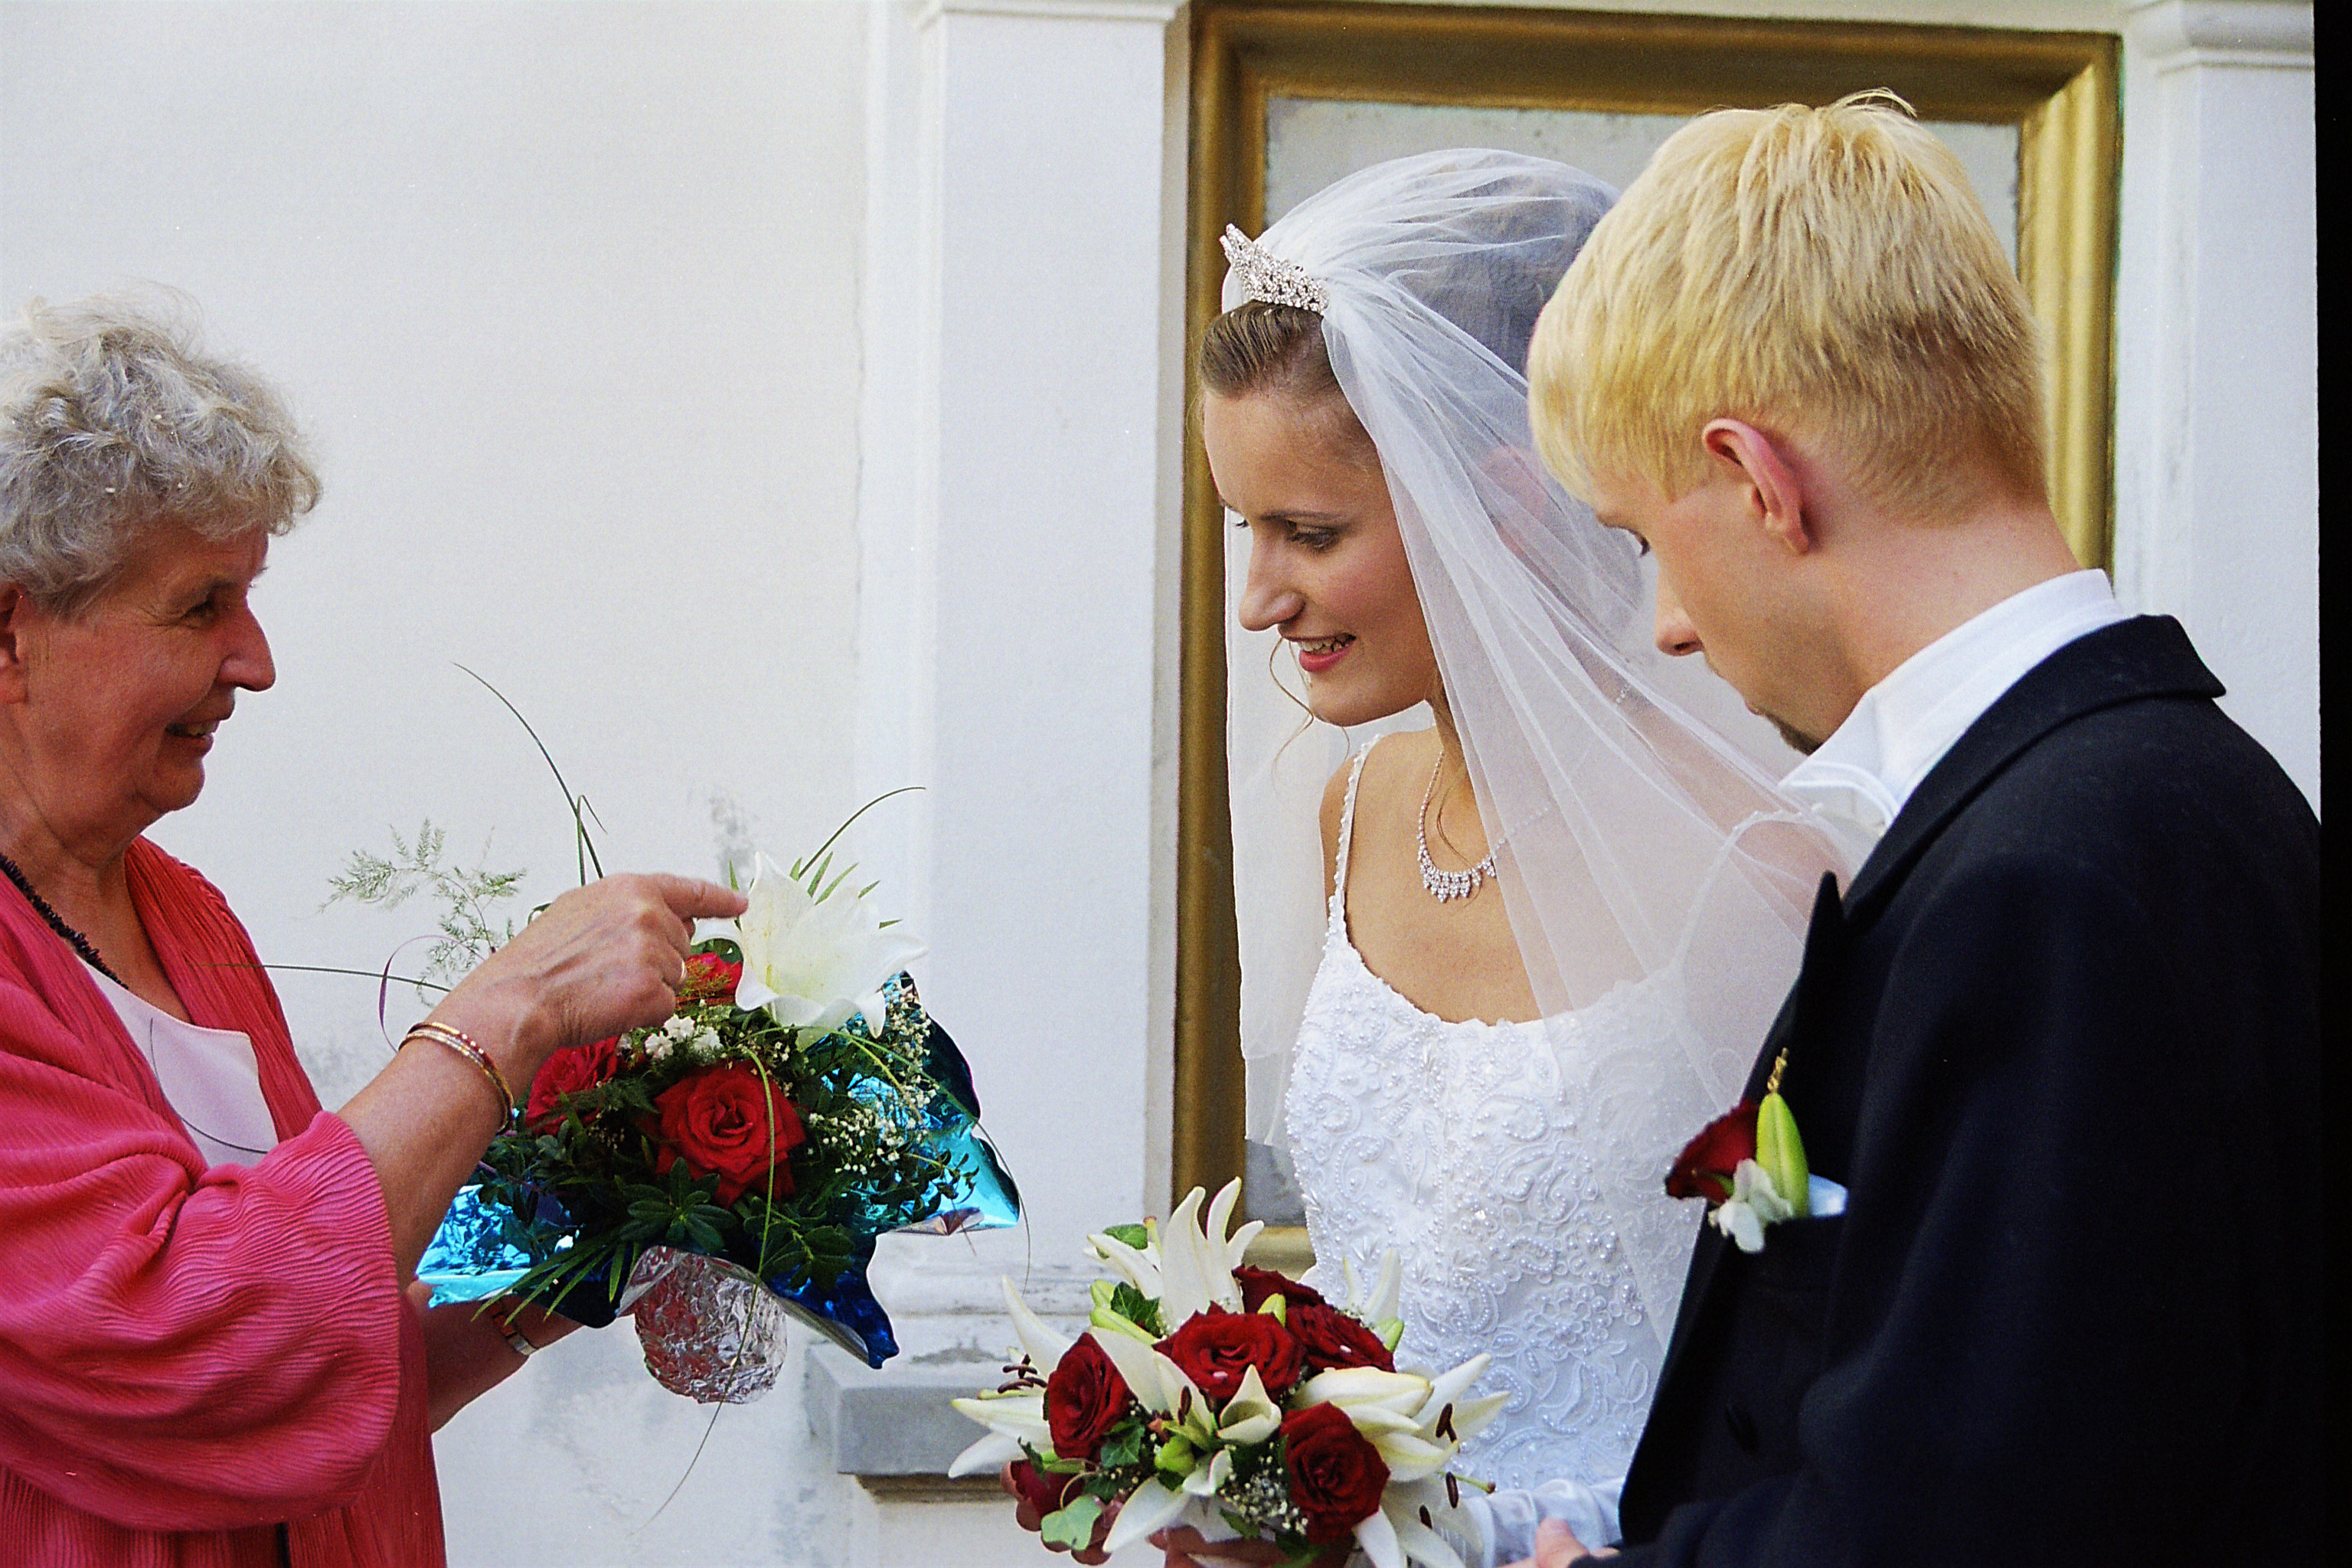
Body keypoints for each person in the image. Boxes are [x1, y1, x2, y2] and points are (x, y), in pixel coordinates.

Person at [1514, 93, 2321, 1566]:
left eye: (1647, 542)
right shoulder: (2148, 794)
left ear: (1757, 481)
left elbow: (1978, 1518)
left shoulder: (2056, 878)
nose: (1669, 624)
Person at [1155, 151, 1843, 1567]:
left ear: (1503, 504)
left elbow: (1810, 1369)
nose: (1259, 599)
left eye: (1309, 532)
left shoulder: (1756, 873)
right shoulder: (1351, 815)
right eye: (1246, 529)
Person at [0, 294, 746, 1566]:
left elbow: (315, 1355)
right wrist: (508, 1008)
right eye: (200, 606)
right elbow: (192, 1337)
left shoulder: (186, 917)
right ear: (14, 632)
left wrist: (611, 1230)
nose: (256, 661)